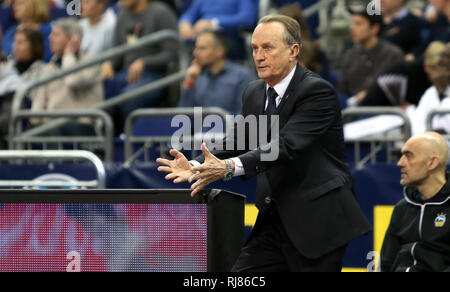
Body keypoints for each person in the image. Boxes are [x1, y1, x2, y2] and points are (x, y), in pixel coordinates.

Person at [157, 15, 371, 272]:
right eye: (255, 48)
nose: (258, 56)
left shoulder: (317, 91)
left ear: (293, 51)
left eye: (267, 47)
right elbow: (239, 141)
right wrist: (196, 164)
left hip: (318, 221)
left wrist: (227, 168)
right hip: (273, 221)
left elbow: (285, 146)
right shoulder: (255, 91)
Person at [101, 0, 178, 133]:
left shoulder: (161, 12)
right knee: (101, 90)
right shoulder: (122, 16)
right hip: (124, 74)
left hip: (155, 75)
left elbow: (172, 53)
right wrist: (109, 63)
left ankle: (130, 140)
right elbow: (116, 53)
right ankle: (106, 143)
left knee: (130, 97)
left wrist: (144, 62)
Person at [381, 132, 450, 272]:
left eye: (408, 156)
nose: (400, 163)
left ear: (432, 162)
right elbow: (386, 263)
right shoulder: (402, 208)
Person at [31, 18, 103, 136]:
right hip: (52, 125)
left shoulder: (91, 63)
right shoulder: (49, 67)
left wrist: (69, 53)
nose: (50, 38)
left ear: (73, 39)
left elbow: (72, 81)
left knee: (53, 130)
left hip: (81, 125)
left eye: (56, 35)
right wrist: (33, 123)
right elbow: (39, 101)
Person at [178, 30, 255, 115]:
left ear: (219, 52)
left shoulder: (242, 76)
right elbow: (183, 117)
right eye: (196, 48)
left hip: (230, 127)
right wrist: (189, 82)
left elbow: (246, 116)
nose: (195, 53)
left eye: (202, 48)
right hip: (199, 128)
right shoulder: (197, 76)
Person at [338, 9, 404, 98]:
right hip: (353, 109)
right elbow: (342, 91)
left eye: (358, 24)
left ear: (374, 29)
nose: (352, 28)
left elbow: (397, 92)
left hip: (385, 109)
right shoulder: (349, 55)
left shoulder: (393, 54)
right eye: (352, 23)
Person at [0, 28, 46, 148]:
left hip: (25, 120)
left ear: (34, 46)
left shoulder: (44, 70)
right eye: (15, 42)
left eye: (20, 42)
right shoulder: (6, 69)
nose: (15, 46)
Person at [178, 0, 258, 60]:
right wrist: (184, 23)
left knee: (205, 47)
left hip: (228, 36)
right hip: (201, 36)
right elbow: (189, 13)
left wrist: (213, 23)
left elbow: (247, 18)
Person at [406, 42, 450, 136]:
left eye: (442, 66)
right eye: (433, 67)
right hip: (432, 147)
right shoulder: (430, 93)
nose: (437, 72)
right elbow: (416, 128)